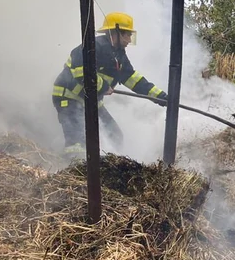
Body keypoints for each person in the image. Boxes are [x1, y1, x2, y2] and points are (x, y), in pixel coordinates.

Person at [52, 12, 167, 158]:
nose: (129, 40)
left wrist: (160, 97)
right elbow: (83, 72)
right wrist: (104, 87)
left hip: (91, 100)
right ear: (115, 32)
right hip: (69, 98)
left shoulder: (119, 55)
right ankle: (72, 167)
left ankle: (108, 165)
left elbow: (134, 80)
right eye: (127, 35)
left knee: (115, 135)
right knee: (77, 144)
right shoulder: (93, 47)